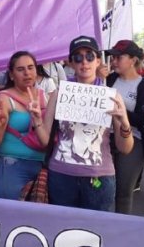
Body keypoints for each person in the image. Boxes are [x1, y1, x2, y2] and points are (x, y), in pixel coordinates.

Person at [40, 36, 133, 211]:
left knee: (95, 233)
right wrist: (37, 119)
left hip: (99, 177)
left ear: (98, 60)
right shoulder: (59, 93)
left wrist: (125, 123)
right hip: (62, 175)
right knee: (62, 231)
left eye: (90, 56)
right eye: (78, 57)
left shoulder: (111, 96)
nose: (84, 62)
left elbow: (125, 148)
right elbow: (44, 140)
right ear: (71, 63)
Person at [0, 51, 50, 200]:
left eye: (30, 68)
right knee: (12, 216)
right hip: (12, 167)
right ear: (12, 74)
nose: (27, 73)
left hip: (42, 168)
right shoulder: (3, 99)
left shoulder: (45, 96)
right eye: (20, 69)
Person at [105, 39, 144, 214]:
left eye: (119, 57)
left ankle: (121, 230)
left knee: (124, 191)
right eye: (113, 57)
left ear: (133, 60)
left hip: (133, 140)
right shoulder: (109, 79)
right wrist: (97, 77)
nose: (114, 61)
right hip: (105, 138)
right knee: (99, 187)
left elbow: (142, 119)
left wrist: (121, 113)